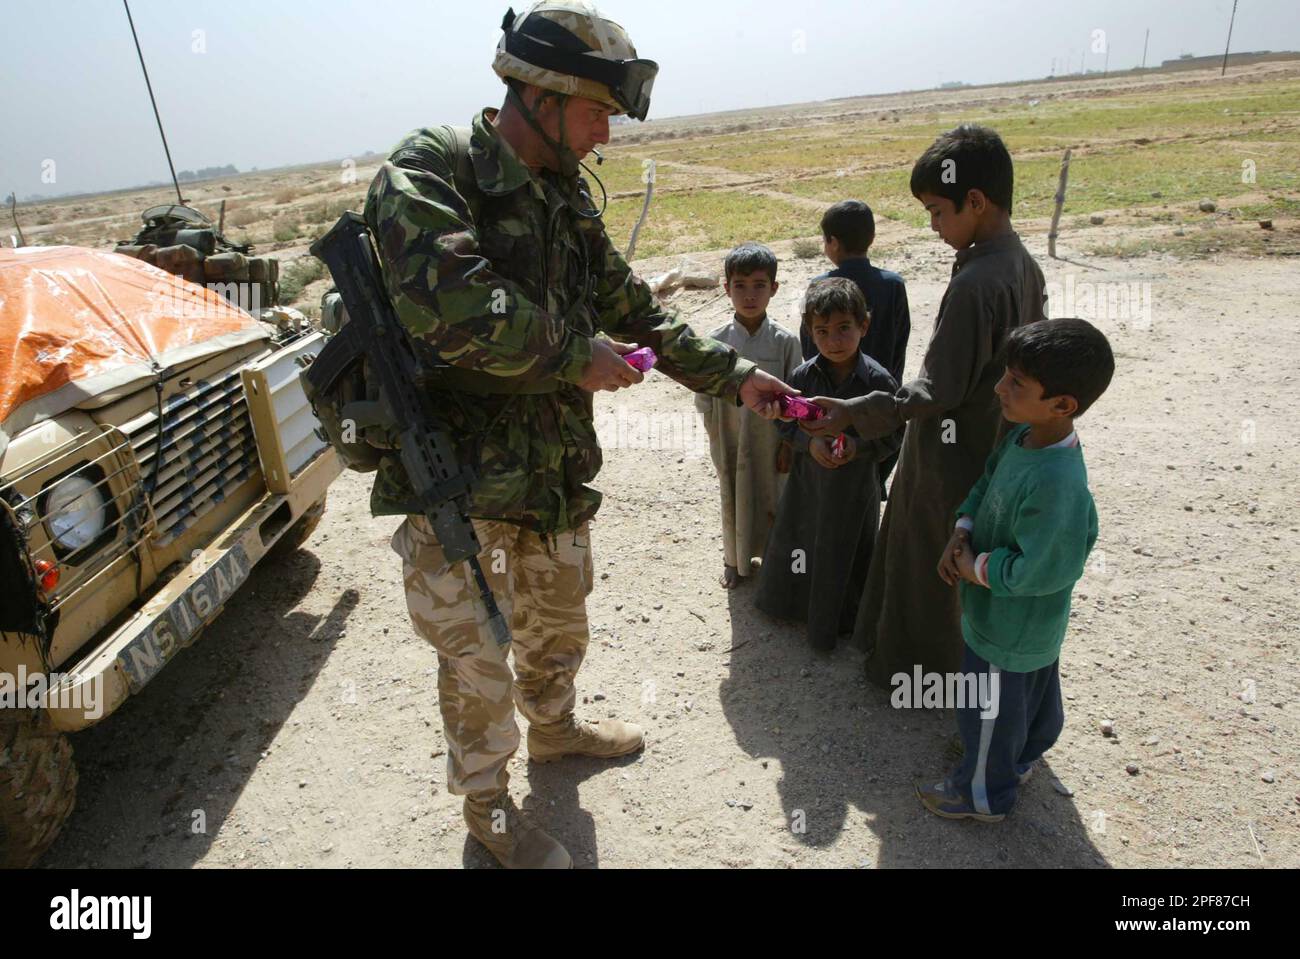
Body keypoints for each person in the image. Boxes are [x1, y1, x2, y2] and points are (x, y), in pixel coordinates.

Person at [364, 1, 794, 868]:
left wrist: (737, 377)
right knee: (476, 660)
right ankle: (488, 813)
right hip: (453, 481)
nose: (605, 133)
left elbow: (635, 310)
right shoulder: (432, 168)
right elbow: (448, 298)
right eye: (598, 112)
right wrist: (572, 352)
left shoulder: (566, 201)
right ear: (542, 97)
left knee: (557, 622)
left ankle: (555, 732)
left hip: (550, 472)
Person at [801, 124, 1047, 689]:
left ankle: (913, 674)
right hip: (992, 442)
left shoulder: (979, 281)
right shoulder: (1019, 263)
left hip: (950, 450)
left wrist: (853, 410)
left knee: (925, 552)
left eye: (938, 211)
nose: (933, 226)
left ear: (976, 201)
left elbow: (937, 389)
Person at [919, 318, 1114, 821]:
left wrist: (973, 567)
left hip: (1011, 625)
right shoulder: (1023, 437)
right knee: (1024, 701)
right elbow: (985, 485)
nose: (1000, 387)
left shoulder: (1058, 482)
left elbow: (1040, 570)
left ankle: (981, 794)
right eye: (1005, 375)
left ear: (1063, 405)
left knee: (987, 709)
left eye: (1017, 383)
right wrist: (961, 531)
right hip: (1013, 624)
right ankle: (1021, 755)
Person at [756, 278, 899, 650]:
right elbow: (785, 422)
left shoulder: (878, 383)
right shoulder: (804, 378)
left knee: (850, 549)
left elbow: (893, 436)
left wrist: (857, 446)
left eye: (843, 329)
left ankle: (846, 618)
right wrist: (809, 442)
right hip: (810, 484)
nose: (834, 340)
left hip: (855, 488)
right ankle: (796, 607)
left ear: (864, 326)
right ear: (810, 333)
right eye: (822, 331)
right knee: (804, 541)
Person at [695, 242, 802, 589]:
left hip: (772, 441)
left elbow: (796, 397)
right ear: (726, 289)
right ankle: (734, 561)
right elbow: (704, 397)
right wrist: (716, 435)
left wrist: (790, 442)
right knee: (733, 498)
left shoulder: (786, 342)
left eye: (759, 285)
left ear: (774, 288)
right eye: (740, 286)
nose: (749, 295)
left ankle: (772, 561)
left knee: (775, 497)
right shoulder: (715, 343)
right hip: (730, 437)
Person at [801, 200, 910, 499]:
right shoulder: (893, 285)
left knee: (831, 487)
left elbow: (809, 351)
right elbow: (900, 344)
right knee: (866, 484)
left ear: (832, 242)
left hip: (827, 411)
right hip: (878, 407)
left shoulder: (819, 287)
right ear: (872, 238)